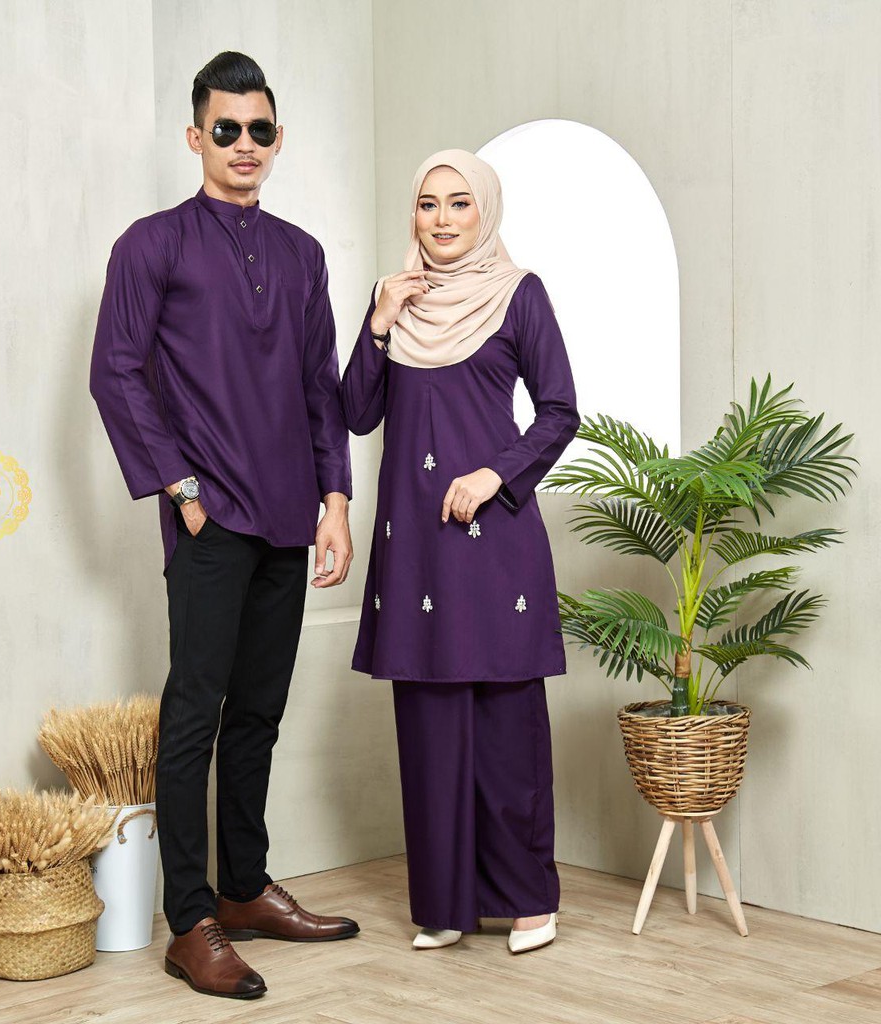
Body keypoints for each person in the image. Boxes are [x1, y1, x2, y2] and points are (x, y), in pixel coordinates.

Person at [89, 51, 359, 1001]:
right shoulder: (152, 245)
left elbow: (321, 387)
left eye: (260, 130)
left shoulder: (302, 254)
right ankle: (190, 920)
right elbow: (115, 370)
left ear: (278, 140)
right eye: (227, 128)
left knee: (259, 713)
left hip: (291, 516)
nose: (245, 144)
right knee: (194, 715)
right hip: (210, 520)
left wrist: (335, 503)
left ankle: (244, 887)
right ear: (196, 136)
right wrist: (181, 487)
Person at [339, 149, 579, 954]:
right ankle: (445, 905)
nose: (441, 219)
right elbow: (355, 412)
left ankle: (529, 901)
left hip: (494, 538)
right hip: (415, 545)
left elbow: (559, 411)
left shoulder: (518, 294)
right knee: (429, 728)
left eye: (459, 203)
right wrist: (378, 322)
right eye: (428, 204)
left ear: (486, 211)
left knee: (508, 727)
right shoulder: (395, 300)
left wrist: (495, 473)